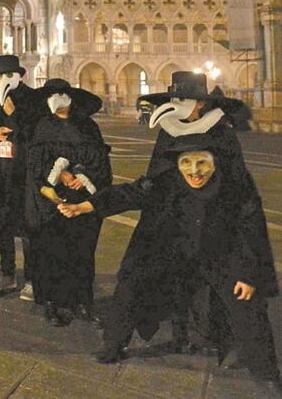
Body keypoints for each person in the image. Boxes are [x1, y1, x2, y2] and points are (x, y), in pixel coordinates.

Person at [59, 134, 281, 393]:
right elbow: (128, 194)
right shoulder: (164, 182)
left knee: (246, 302)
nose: (195, 172)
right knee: (130, 286)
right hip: (169, 252)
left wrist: (248, 275)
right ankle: (113, 345)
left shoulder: (235, 189)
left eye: (202, 163)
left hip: (218, 257)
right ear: (177, 164)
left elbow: (251, 232)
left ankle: (266, 372)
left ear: (215, 163)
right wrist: (84, 207)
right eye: (186, 163)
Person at [24, 79, 110, 327]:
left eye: (61, 94)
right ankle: (53, 303)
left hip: (82, 201)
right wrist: (58, 175)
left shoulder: (88, 126)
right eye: (51, 95)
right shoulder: (41, 126)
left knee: (82, 251)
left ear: (71, 99)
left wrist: (83, 177)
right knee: (51, 251)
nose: (56, 99)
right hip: (51, 202)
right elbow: (35, 163)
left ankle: (82, 302)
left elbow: (100, 160)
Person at [0, 55, 43, 297]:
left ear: (19, 75)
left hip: (25, 172)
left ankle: (32, 278)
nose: (4, 79)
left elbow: (37, 133)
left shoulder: (34, 100)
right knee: (3, 225)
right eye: (0, 76)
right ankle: (7, 273)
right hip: (0, 173)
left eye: (9, 75)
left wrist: (14, 114)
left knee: (29, 227)